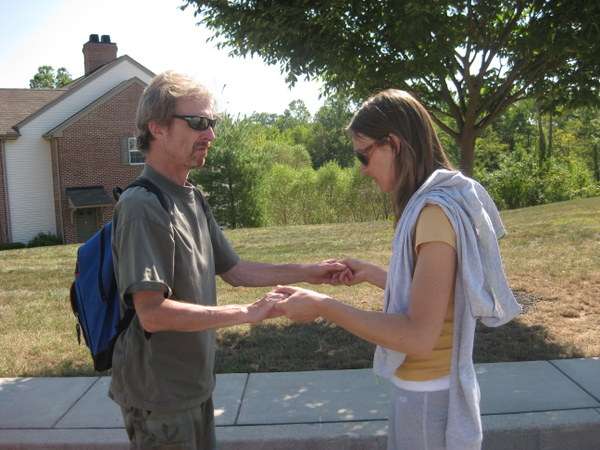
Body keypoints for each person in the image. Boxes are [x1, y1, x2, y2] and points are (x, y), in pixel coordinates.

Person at [269, 89, 521, 450]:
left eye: (364, 154)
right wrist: (373, 274)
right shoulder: (436, 208)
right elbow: (441, 296)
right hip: (429, 394)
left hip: (428, 403)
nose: (362, 168)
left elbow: (418, 336)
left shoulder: (433, 214)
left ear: (394, 144)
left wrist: (322, 305)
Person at [109, 71, 346, 450]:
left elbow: (235, 270)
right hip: (159, 397)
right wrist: (247, 314)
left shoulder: (190, 196)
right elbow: (152, 313)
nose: (210, 134)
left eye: (212, 123)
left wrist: (313, 272)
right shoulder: (142, 206)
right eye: (198, 122)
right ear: (157, 128)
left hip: (194, 386)